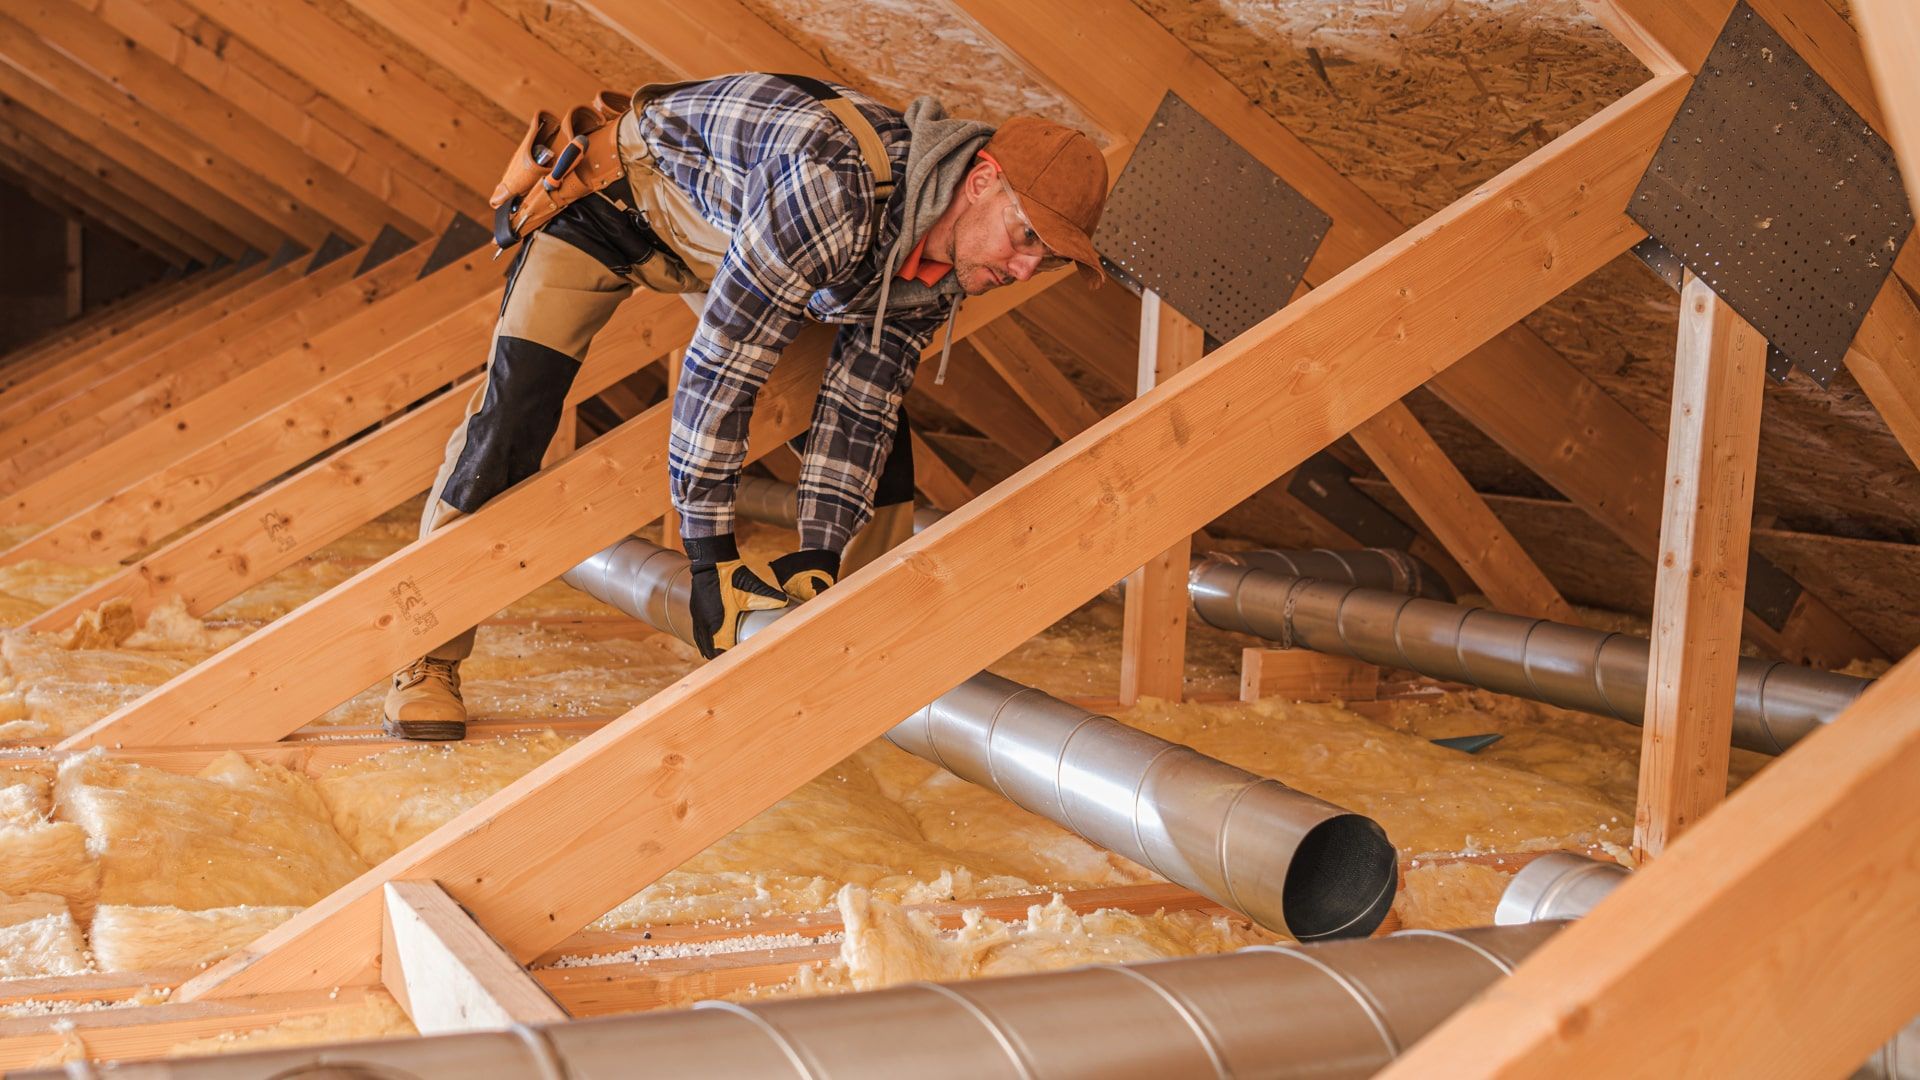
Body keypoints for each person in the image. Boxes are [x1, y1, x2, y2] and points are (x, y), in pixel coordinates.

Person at [383, 72, 1109, 741]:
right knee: (512, 420)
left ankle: (846, 648)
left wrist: (815, 554)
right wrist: (709, 559)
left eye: (1044, 261)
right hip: (610, 208)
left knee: (884, 445)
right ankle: (426, 657)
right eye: (1027, 241)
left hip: (729, 240)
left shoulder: (944, 263)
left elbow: (860, 405)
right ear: (982, 181)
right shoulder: (837, 184)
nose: (1022, 271)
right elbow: (724, 364)